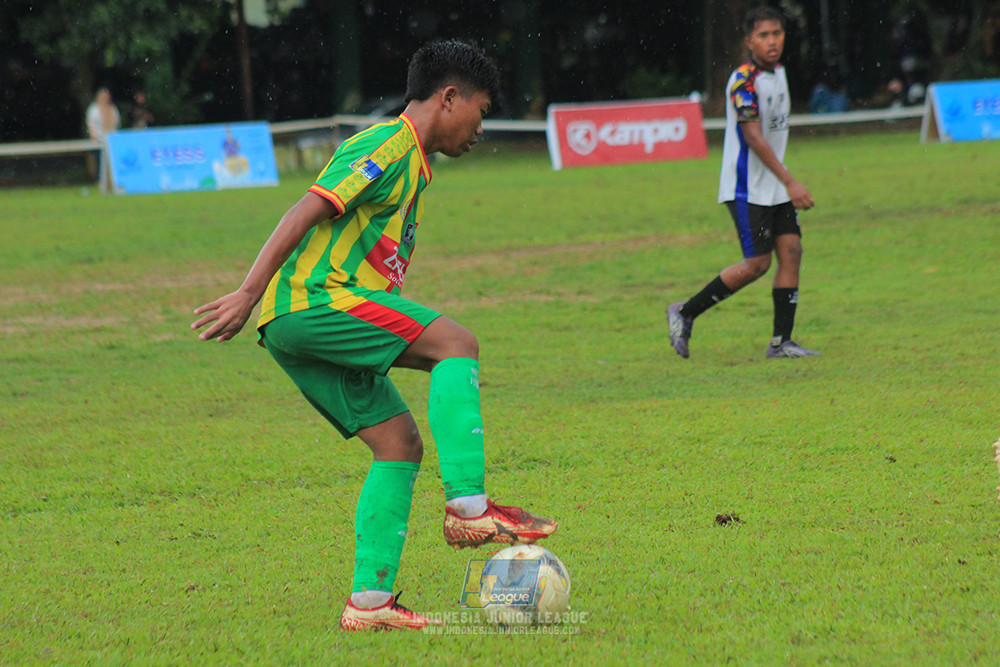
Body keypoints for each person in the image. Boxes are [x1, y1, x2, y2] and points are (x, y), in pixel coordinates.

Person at [190, 40, 557, 632]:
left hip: (301, 322)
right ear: (449, 97)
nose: (482, 127)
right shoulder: (388, 143)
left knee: (398, 443)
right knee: (456, 344)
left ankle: (369, 605)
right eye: (482, 111)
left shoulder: (415, 160)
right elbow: (304, 210)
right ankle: (469, 507)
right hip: (314, 303)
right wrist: (247, 290)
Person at [667, 7, 820, 360]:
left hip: (774, 186)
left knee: (792, 252)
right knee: (757, 265)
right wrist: (791, 181)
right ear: (749, 41)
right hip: (746, 188)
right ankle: (685, 312)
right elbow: (753, 138)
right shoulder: (743, 82)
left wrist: (783, 183)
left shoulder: (779, 72)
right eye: (764, 35)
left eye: (777, 34)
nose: (772, 41)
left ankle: (782, 343)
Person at [85, 87, 121, 193]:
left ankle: (113, 182)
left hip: (111, 140)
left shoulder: (112, 108)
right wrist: (94, 138)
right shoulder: (94, 109)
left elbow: (117, 123)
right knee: (99, 162)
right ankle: (100, 182)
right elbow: (91, 124)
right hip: (99, 140)